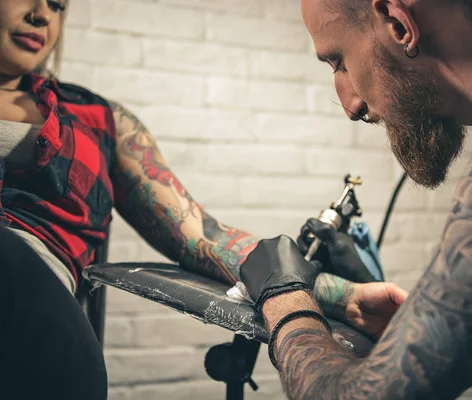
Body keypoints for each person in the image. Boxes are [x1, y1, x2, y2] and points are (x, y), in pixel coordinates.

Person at [0, 1, 388, 399]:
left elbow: (202, 236)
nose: (41, 15)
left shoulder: (98, 121)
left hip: (36, 340)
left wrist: (345, 296)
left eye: (58, 5)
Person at [238, 0, 472, 399]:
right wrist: (408, 325)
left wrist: (284, 301)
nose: (350, 106)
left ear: (398, 23)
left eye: (339, 62)